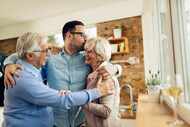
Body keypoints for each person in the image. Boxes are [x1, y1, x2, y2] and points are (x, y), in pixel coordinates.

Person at [3, 20, 121, 127]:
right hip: (56, 122)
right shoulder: (49, 60)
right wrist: (8, 64)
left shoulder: (88, 59)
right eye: (81, 34)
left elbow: (105, 62)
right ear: (69, 35)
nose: (85, 38)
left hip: (81, 122)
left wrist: (115, 68)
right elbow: (24, 54)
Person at [83, 37, 120, 127]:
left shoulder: (105, 76)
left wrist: (80, 101)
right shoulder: (94, 72)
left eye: (90, 52)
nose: (86, 54)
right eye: (86, 51)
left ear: (100, 55)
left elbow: (105, 111)